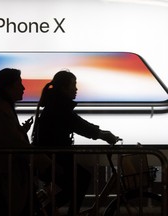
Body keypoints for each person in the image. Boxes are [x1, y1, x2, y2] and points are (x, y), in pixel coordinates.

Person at [32, 70, 119, 216]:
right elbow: (79, 125)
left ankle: (49, 210)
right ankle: (48, 211)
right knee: (81, 180)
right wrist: (103, 135)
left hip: (50, 159)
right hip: (52, 161)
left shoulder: (55, 104)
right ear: (64, 88)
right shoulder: (59, 107)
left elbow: (77, 123)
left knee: (76, 184)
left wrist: (101, 134)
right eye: (74, 85)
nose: (76, 89)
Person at [0, 68, 51, 216]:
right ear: (9, 86)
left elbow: (8, 138)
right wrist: (48, 163)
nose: (23, 88)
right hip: (3, 185)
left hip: (4, 183)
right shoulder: (1, 111)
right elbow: (17, 145)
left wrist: (21, 131)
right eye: (19, 84)